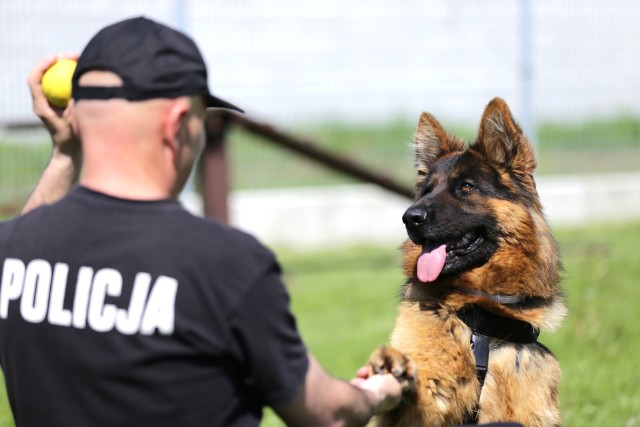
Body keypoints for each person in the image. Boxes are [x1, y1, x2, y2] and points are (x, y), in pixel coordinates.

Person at [0, 17, 403, 427]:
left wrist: (66, 150)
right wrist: (379, 392)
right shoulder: (224, 263)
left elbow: (25, 249)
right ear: (177, 126)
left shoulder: (12, 252)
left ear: (76, 119)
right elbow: (327, 413)